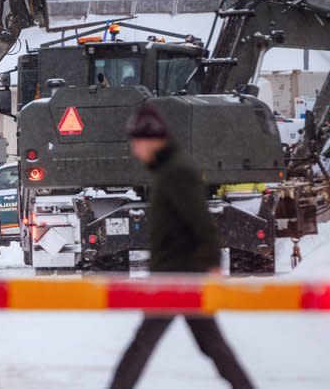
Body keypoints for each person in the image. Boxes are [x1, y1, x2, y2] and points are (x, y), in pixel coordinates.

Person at [109, 105, 254, 389]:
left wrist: (211, 263)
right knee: (211, 345)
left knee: (142, 344)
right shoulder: (169, 169)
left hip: (178, 274)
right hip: (180, 272)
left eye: (135, 142)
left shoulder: (176, 172)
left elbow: (200, 220)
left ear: (150, 139)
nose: (134, 149)